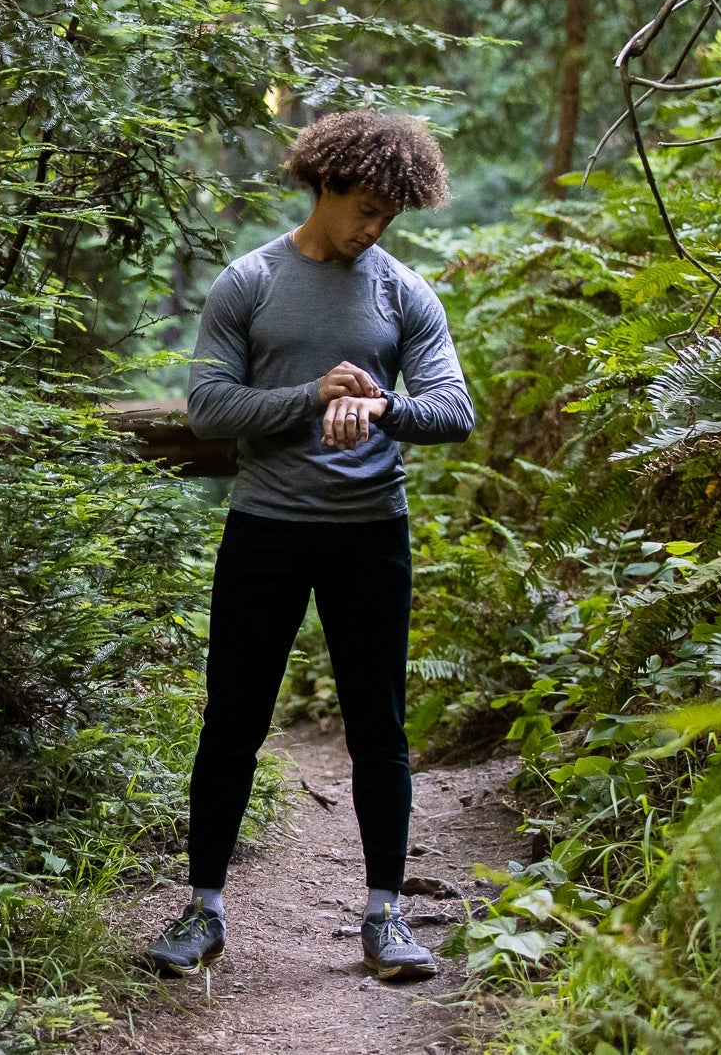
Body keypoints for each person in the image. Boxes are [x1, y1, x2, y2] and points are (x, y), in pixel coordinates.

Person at [145, 110, 475, 983]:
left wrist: (383, 408)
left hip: (372, 535)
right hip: (267, 531)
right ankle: (203, 912)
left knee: (381, 730)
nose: (375, 229)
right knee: (232, 723)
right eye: (365, 209)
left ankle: (386, 917)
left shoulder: (402, 291)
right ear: (324, 187)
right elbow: (209, 409)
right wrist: (309, 393)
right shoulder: (248, 282)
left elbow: (455, 409)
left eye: (389, 218)